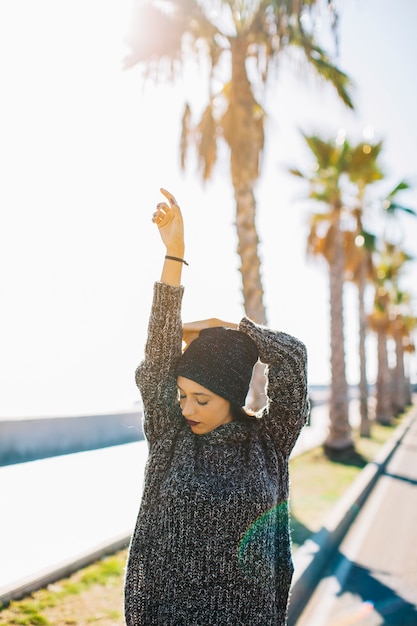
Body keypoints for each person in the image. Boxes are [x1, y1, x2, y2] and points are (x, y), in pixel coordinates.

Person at [124, 188, 309, 626]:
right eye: (183, 395)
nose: (187, 407)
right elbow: (157, 362)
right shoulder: (170, 438)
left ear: (234, 396)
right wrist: (175, 254)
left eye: (201, 399)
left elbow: (293, 357)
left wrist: (232, 329)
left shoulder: (270, 441)